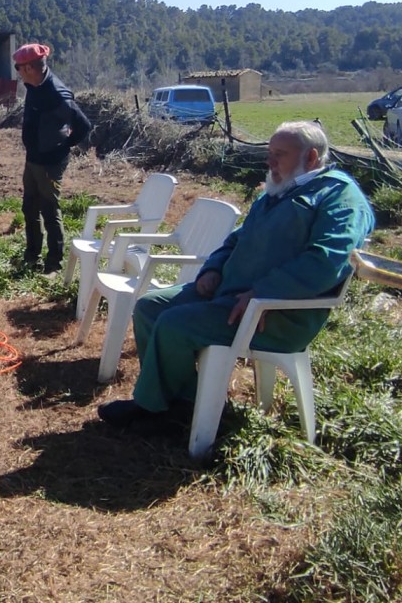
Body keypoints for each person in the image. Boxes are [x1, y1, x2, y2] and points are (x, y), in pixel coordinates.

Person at [98, 120, 375, 429]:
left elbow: (328, 260)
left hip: (275, 313)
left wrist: (264, 292)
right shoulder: (278, 190)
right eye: (269, 153)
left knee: (175, 324)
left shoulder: (339, 197)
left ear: (310, 158)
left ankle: (154, 409)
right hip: (230, 296)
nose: (270, 162)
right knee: (151, 306)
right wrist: (213, 269)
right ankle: (183, 402)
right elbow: (235, 240)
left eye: (279, 154)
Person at [14, 42, 92, 274]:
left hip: (50, 163)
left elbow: (84, 126)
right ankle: (32, 256)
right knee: (29, 208)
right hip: (33, 159)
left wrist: (63, 147)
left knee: (50, 211)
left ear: (29, 68)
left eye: (18, 68)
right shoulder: (34, 86)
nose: (17, 72)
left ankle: (54, 263)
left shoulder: (56, 95)